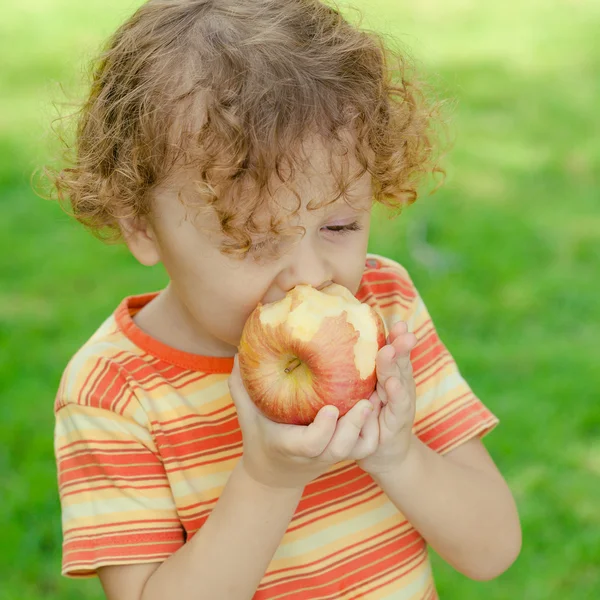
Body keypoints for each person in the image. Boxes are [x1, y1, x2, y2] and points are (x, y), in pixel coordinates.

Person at [48, 1, 521, 598]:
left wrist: (398, 455)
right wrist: (267, 480)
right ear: (142, 225)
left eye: (340, 227)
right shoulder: (115, 392)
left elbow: (492, 549)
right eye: (252, 240)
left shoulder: (384, 313)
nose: (307, 278)